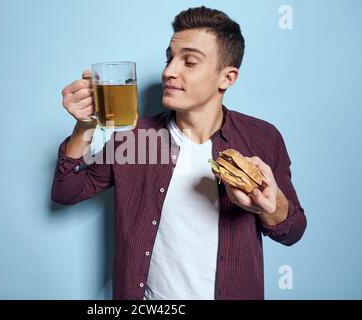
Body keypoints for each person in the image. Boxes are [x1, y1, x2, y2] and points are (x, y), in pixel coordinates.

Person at [52, 6, 306, 300]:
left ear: (227, 78)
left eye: (189, 62)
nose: (169, 71)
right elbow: (65, 191)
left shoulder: (262, 138)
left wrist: (269, 207)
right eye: (169, 58)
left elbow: (293, 232)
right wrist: (84, 128)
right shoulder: (133, 139)